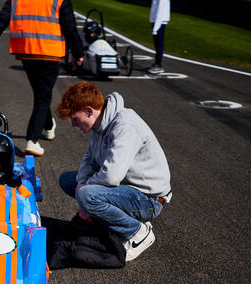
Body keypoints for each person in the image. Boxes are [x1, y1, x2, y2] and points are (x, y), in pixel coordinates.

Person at [55, 81, 172, 261]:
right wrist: (80, 185)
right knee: (68, 180)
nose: (73, 124)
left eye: (74, 118)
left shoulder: (125, 126)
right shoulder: (99, 124)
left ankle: (138, 232)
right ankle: (119, 218)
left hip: (150, 199)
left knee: (88, 195)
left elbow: (111, 176)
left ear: (89, 110)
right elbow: (89, 160)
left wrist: (84, 195)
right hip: (128, 189)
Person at [0, 0, 84, 156]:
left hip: (26, 52)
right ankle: (32, 140)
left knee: (41, 95)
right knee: (43, 97)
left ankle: (49, 126)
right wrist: (78, 53)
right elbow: (70, 28)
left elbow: (1, 20)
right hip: (50, 53)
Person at [149, 0, 170, 74]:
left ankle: (159, 64)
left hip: (160, 21)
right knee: (157, 43)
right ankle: (157, 62)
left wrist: (156, 27)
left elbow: (161, 9)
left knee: (159, 43)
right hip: (156, 20)